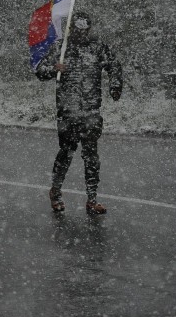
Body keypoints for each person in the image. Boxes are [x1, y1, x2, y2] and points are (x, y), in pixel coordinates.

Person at [35, 11, 122, 216]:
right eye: (77, 30)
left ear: (89, 29)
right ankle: (55, 192)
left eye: (85, 30)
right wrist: (54, 68)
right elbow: (40, 70)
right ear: (71, 29)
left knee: (91, 157)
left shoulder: (97, 48)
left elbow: (114, 66)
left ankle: (92, 199)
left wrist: (115, 85)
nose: (81, 34)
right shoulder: (60, 48)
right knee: (66, 153)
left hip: (91, 111)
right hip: (68, 111)